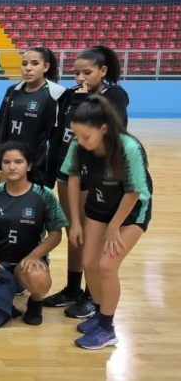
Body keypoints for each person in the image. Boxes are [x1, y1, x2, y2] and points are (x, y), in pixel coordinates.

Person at [44, 46, 130, 318]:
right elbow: (59, 134)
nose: (80, 78)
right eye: (76, 73)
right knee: (74, 232)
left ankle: (92, 296)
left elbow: (111, 129)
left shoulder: (114, 95)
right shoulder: (70, 95)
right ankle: (72, 288)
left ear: (103, 71)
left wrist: (84, 100)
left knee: (92, 238)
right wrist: (50, 170)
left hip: (95, 175)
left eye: (87, 72)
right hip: (68, 170)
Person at [62, 96, 152, 350]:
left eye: (86, 137)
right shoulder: (78, 145)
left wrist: (114, 227)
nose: (80, 142)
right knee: (89, 262)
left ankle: (107, 329)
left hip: (130, 212)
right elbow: (73, 182)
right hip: (98, 207)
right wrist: (75, 222)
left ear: (103, 128)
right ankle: (100, 314)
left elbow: (133, 192)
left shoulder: (128, 147)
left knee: (106, 266)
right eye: (77, 135)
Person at [0, 141, 68, 326]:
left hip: (27, 261)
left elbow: (56, 233)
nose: (12, 167)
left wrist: (35, 256)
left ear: (29, 166)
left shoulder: (45, 195)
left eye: (18, 162)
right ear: (1, 165)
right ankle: (7, 291)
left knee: (38, 278)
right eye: (6, 162)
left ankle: (35, 302)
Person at [0, 46, 66, 188]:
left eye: (35, 63)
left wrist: (51, 172)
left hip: (39, 167)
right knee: (6, 199)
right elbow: (0, 127)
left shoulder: (57, 94)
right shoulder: (12, 91)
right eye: (24, 64)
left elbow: (58, 137)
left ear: (46, 67)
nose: (28, 68)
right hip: (10, 163)